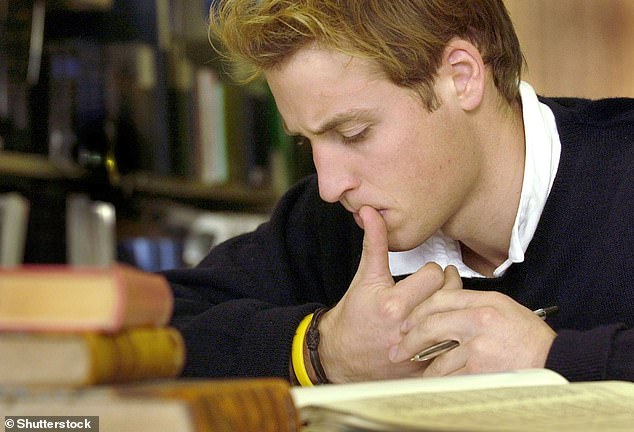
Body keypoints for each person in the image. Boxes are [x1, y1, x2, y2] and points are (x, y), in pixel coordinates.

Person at [165, 0, 634, 385]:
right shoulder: (327, 223)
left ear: (462, 76)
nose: (329, 186)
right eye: (307, 142)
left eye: (353, 133)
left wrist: (555, 359)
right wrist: (323, 352)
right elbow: (144, 334)